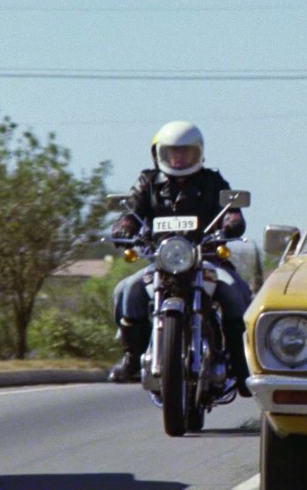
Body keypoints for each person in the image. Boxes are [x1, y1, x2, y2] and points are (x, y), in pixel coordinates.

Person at [108, 121, 253, 397]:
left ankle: (240, 365)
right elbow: (130, 212)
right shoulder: (148, 183)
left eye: (185, 152)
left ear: (198, 153)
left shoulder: (213, 182)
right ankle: (131, 358)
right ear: (159, 154)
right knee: (126, 291)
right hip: (161, 261)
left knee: (236, 292)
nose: (179, 158)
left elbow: (231, 210)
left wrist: (232, 221)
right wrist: (123, 227)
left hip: (207, 258)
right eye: (173, 152)